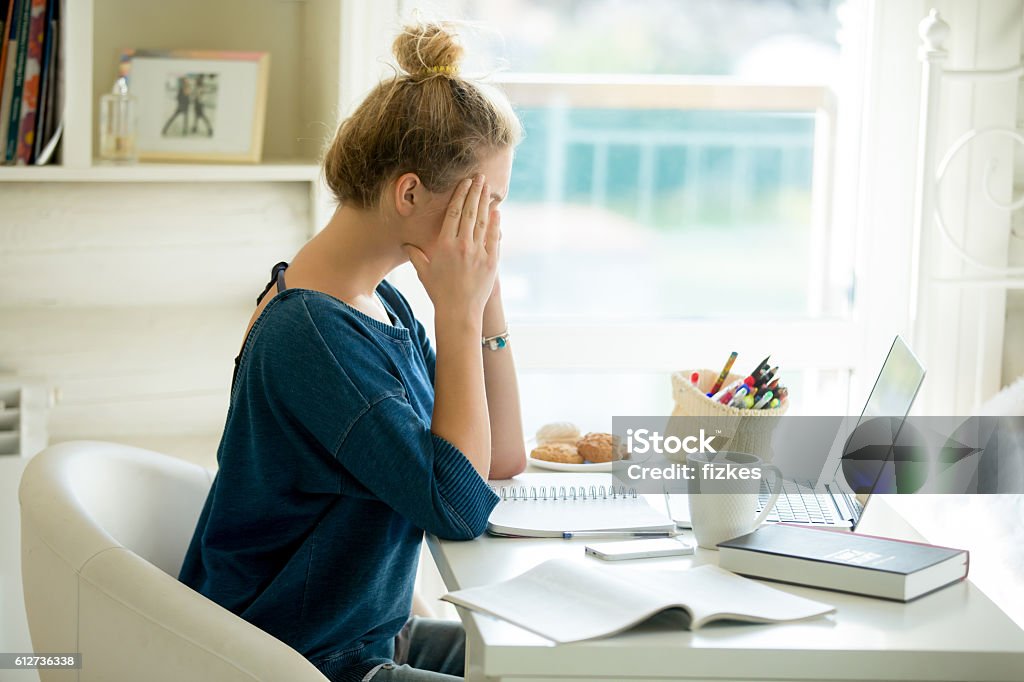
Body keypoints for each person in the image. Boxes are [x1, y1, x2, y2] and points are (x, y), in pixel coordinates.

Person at [177, 20, 526, 682]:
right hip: (301, 660)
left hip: (369, 636)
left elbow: (498, 459)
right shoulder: (312, 336)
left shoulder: (377, 305)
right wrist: (456, 309)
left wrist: (486, 296)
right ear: (410, 193)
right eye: (487, 204)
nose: (494, 226)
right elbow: (459, 512)